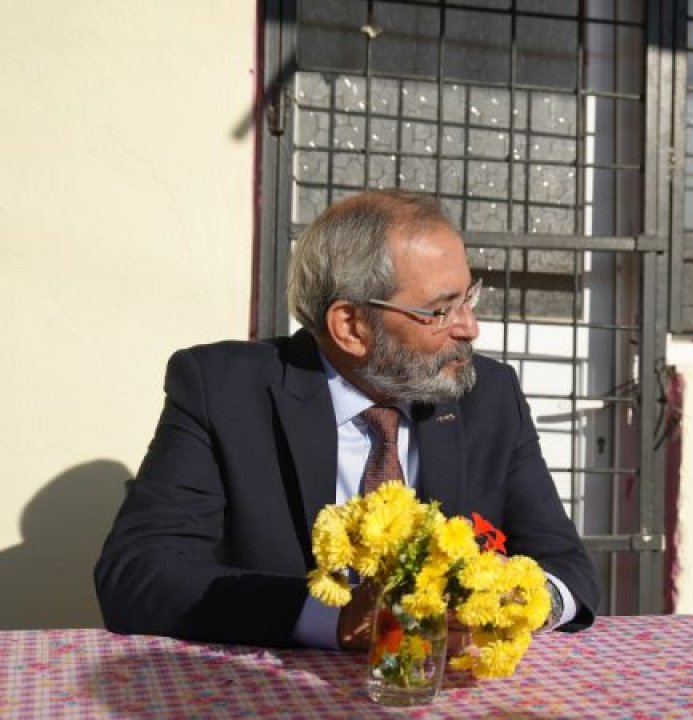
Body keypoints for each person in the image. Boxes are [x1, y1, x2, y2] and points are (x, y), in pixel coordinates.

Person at [95, 190, 598, 649]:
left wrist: (517, 601)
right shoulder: (222, 391)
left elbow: (568, 569)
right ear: (352, 326)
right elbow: (139, 574)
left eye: (468, 297)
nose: (470, 327)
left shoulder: (487, 395)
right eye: (441, 310)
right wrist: (329, 618)